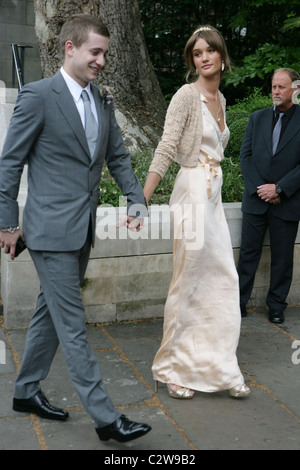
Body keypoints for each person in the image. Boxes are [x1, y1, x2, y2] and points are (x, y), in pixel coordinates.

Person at [0, 13, 151, 443]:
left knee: (51, 313)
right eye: (95, 52)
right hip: (48, 233)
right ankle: (106, 419)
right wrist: (7, 222)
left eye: (105, 53)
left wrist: (136, 199)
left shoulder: (102, 99)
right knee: (73, 324)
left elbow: (117, 157)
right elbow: (9, 163)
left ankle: (26, 391)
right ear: (70, 48)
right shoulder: (38, 96)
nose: (102, 60)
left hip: (81, 229)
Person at [143, 25, 250, 400]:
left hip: (214, 197)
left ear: (222, 55)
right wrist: (143, 197)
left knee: (223, 281)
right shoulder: (185, 97)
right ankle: (174, 369)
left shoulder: (221, 99)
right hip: (191, 193)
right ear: (193, 60)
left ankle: (221, 368)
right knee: (187, 282)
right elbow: (167, 146)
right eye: (197, 53)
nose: (204, 57)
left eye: (210, 51)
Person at [237, 68, 300, 324]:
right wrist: (261, 189)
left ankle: (276, 305)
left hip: (288, 201)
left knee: (282, 258)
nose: (275, 91)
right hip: (255, 200)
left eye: (281, 87)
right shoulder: (257, 118)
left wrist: (280, 189)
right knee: (247, 255)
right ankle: (238, 303)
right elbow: (246, 157)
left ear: (295, 89)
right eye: (274, 86)